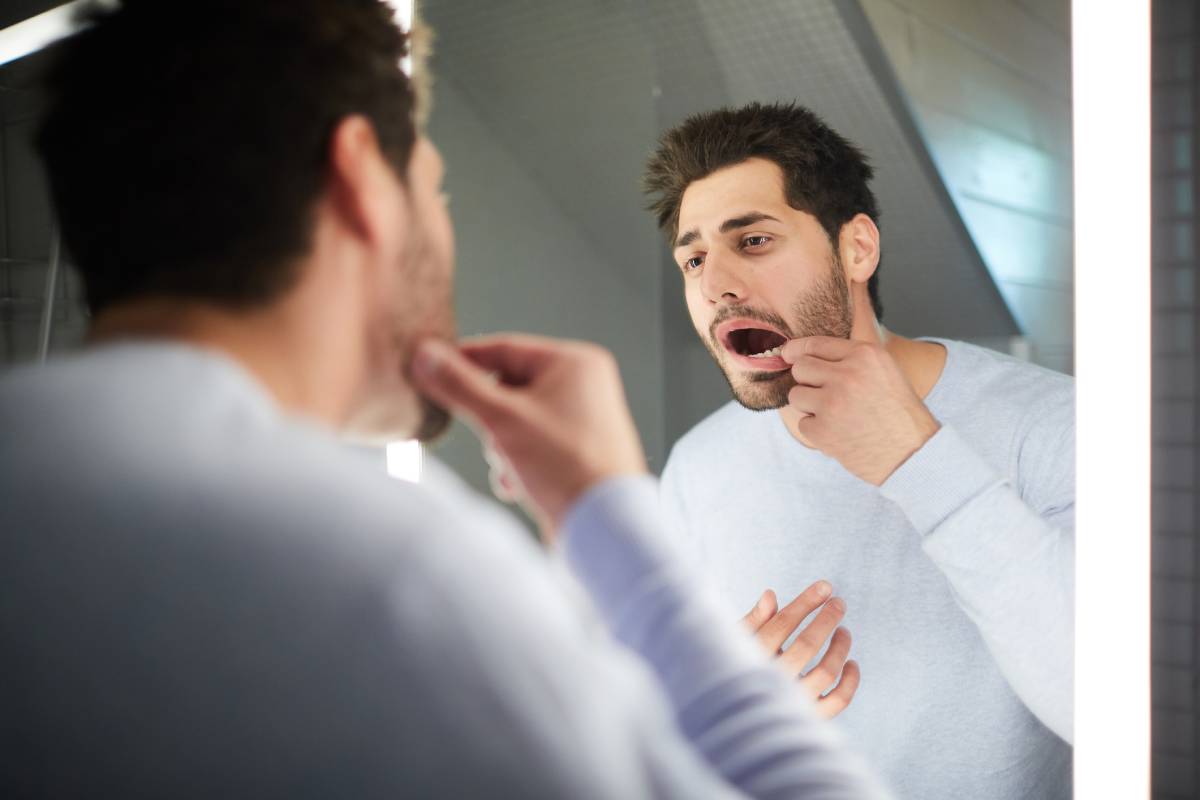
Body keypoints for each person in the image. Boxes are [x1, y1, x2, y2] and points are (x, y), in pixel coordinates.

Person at [0, 2, 895, 797]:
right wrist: (611, 516)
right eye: (435, 188)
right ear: (361, 179)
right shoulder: (393, 573)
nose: (715, 281)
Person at [643, 102, 1074, 800]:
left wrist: (916, 458)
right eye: (694, 258)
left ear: (857, 249)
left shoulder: (1055, 426)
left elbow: (1110, 706)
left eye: (751, 241)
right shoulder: (699, 467)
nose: (715, 284)